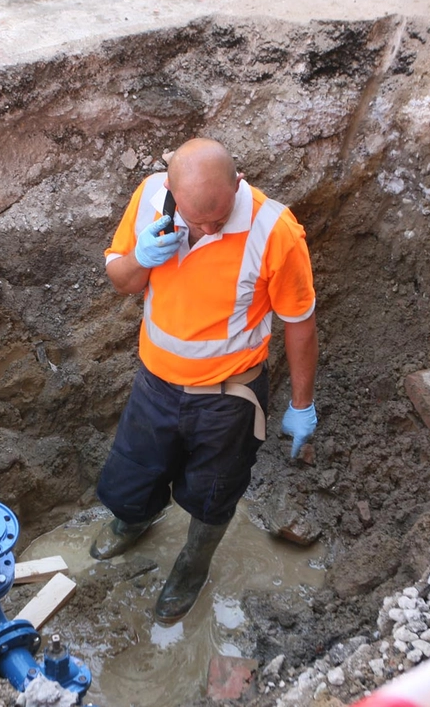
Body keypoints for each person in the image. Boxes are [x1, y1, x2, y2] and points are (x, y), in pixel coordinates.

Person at [91, 137, 319, 623]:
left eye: (219, 218)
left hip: (228, 399)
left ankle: (193, 564)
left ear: (238, 183)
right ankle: (133, 520)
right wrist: (141, 260)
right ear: (171, 189)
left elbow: (299, 321)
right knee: (135, 470)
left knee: (215, 491)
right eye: (198, 221)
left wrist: (302, 403)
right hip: (155, 385)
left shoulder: (274, 230)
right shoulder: (151, 195)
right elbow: (123, 279)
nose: (210, 229)